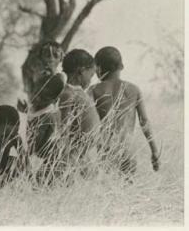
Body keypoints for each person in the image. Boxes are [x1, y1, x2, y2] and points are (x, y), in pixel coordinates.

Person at [90, 46, 160, 177]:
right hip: (128, 151)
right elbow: (144, 122)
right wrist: (154, 150)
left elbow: (88, 123)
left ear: (98, 68)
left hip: (105, 151)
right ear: (121, 66)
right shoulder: (133, 89)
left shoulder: (94, 90)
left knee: (106, 191)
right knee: (127, 192)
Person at [56, 49, 100, 178]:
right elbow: (63, 129)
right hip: (74, 156)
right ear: (81, 71)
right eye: (91, 75)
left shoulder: (77, 93)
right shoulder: (68, 94)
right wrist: (64, 159)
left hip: (84, 154)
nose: (91, 80)